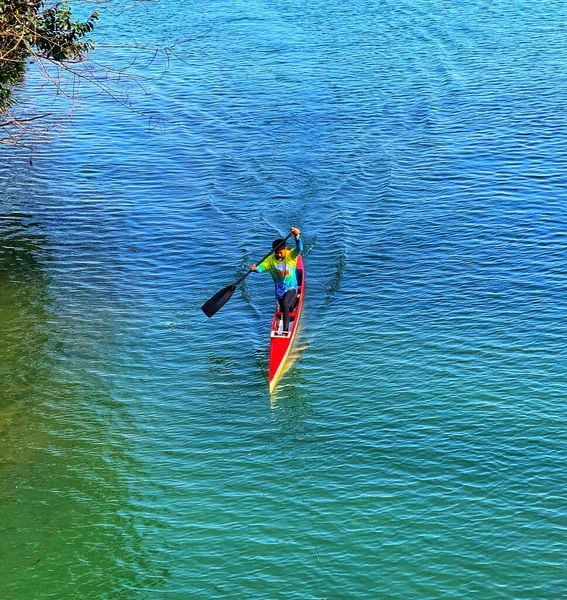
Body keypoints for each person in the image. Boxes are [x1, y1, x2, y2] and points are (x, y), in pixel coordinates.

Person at [251, 227, 303, 335]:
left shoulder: (291, 255)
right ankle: (295, 300)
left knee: (284, 304)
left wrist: (297, 236)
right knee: (286, 306)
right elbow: (261, 267)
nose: (279, 254)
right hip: (279, 289)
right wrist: (255, 269)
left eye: (280, 252)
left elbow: (299, 249)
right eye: (277, 253)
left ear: (285, 248)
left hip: (292, 286)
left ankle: (285, 331)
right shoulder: (270, 260)